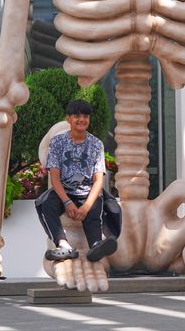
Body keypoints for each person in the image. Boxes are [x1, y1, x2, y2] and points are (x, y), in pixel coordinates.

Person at [35, 99, 118, 262]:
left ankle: (96, 245)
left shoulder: (96, 144)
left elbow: (98, 179)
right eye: (77, 116)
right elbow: (54, 176)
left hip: (87, 191)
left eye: (85, 116)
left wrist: (86, 206)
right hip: (64, 191)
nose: (82, 119)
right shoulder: (57, 142)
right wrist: (67, 202)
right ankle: (62, 244)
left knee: (95, 208)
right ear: (68, 119)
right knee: (46, 203)